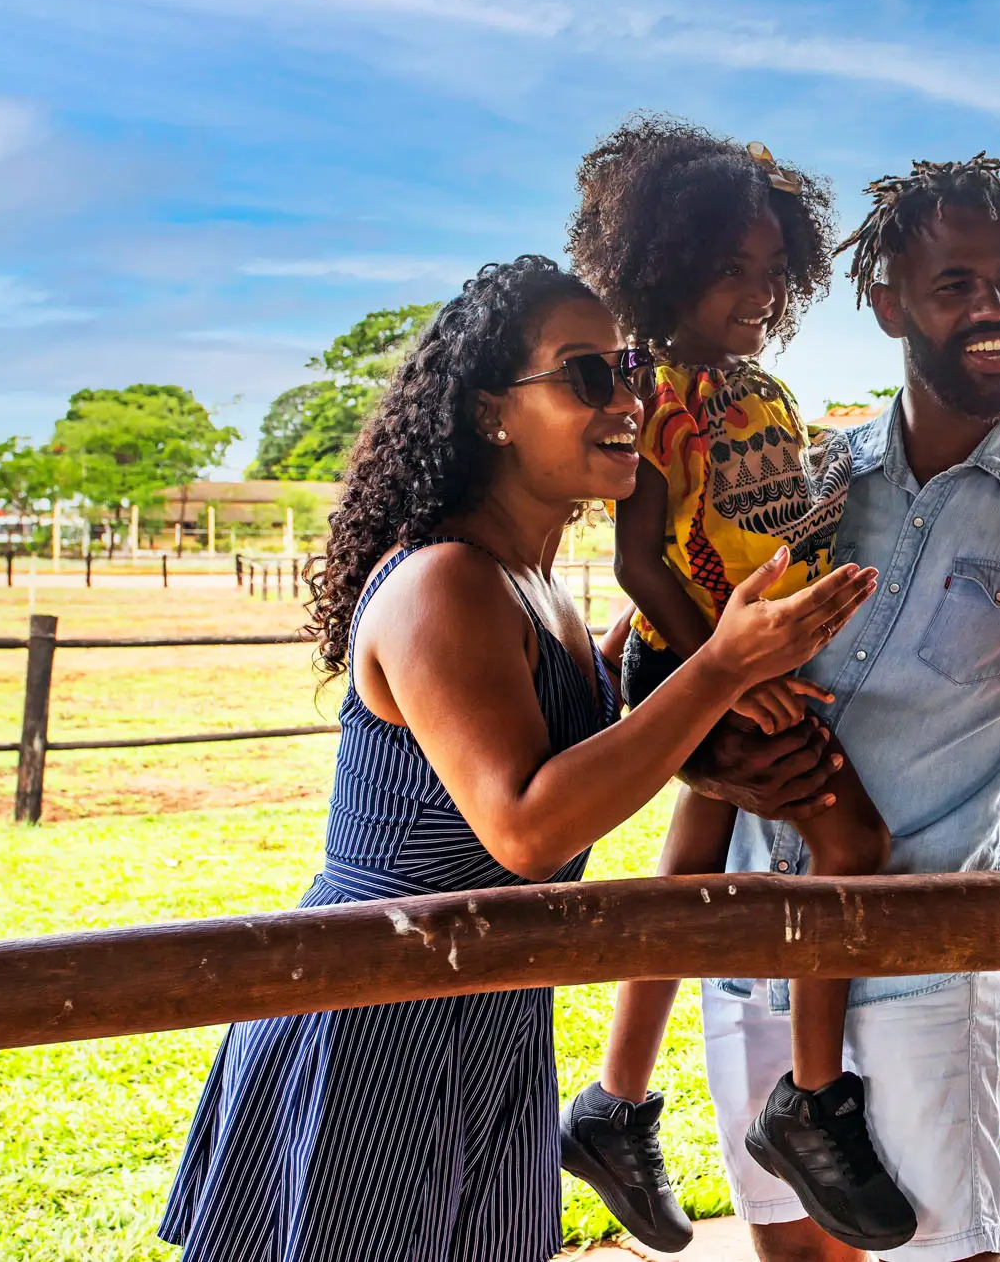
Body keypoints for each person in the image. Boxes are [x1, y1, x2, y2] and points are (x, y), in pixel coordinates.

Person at [158, 256, 875, 1262]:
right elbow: (527, 826)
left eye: (625, 368)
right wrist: (716, 671)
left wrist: (706, 682)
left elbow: (603, 766)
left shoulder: (545, 592)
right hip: (377, 1019)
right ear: (493, 413)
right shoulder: (444, 582)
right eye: (585, 375)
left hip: (491, 1010)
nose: (626, 397)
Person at [577, 155, 1000, 1262]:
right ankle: (617, 1101)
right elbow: (652, 647)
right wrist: (704, 755)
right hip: (746, 959)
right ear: (886, 305)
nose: (994, 309)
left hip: (927, 972)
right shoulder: (808, 481)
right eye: (956, 284)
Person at [559, 116, 913, 1254]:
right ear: (665, 264)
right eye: (730, 270)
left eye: (770, 272)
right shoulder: (645, 392)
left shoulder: (761, 389)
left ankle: (615, 1101)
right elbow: (635, 557)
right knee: (851, 847)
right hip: (705, 662)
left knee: (688, 861)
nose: (755, 292)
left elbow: (761, 517)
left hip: (751, 654)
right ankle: (811, 1102)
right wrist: (720, 676)